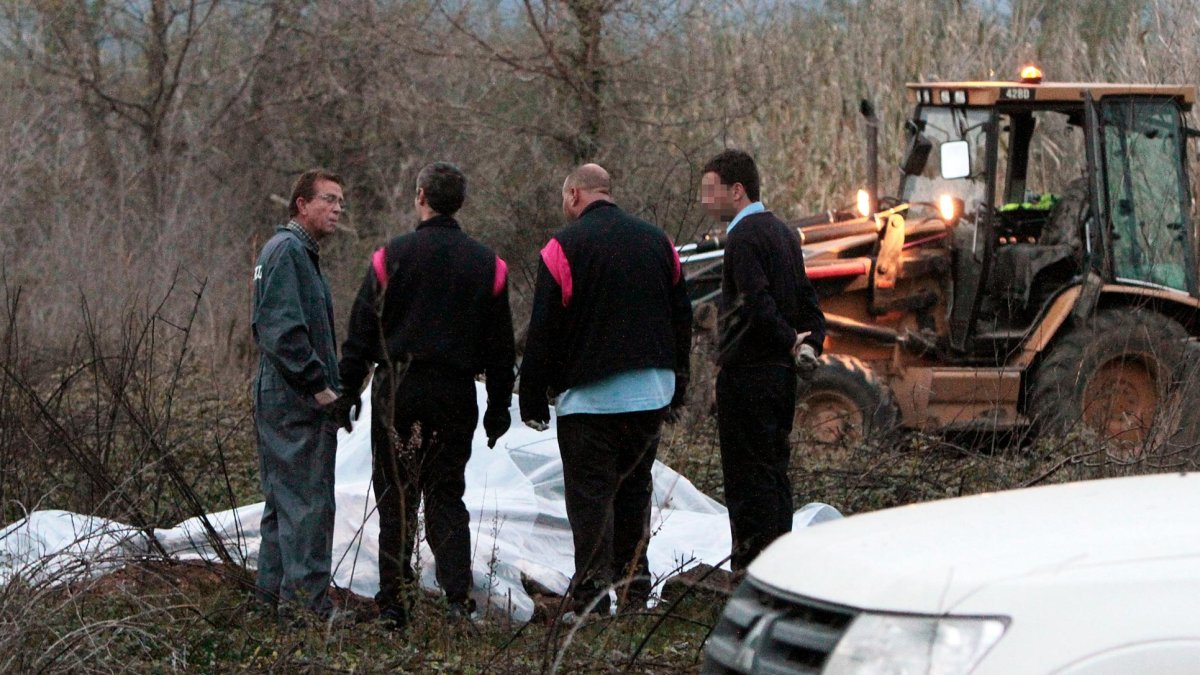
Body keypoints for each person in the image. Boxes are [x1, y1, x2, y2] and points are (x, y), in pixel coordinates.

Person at [338, 162, 516, 629]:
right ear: (460, 203)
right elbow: (501, 349)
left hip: (397, 388)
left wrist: (347, 389)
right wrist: (499, 407)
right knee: (445, 494)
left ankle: (394, 606)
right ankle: (458, 600)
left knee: (395, 497)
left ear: (420, 196)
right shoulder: (489, 265)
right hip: (455, 391)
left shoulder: (389, 257)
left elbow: (360, 331)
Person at [520, 163, 692, 617]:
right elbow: (682, 316)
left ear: (575, 195)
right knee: (635, 491)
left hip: (589, 401)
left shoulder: (562, 248)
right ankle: (635, 589)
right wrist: (678, 383)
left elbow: (544, 328)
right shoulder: (658, 242)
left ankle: (593, 597)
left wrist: (532, 395)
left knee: (590, 499)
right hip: (650, 393)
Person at [699, 149, 826, 573]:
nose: (704, 201)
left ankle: (751, 570)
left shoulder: (743, 237)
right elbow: (807, 300)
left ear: (736, 190)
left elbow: (756, 301)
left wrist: (789, 340)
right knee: (774, 475)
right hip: (780, 379)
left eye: (710, 190)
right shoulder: (785, 234)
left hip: (748, 377)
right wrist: (810, 342)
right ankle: (780, 567)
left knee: (746, 480)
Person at [250, 168, 346, 621]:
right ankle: (308, 611)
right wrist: (318, 387)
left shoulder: (292, 252)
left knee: (283, 504)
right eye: (328, 199)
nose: (337, 209)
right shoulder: (288, 251)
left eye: (340, 202)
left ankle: (271, 602)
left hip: (284, 394)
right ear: (301, 204)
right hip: (294, 398)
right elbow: (281, 330)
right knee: (308, 503)